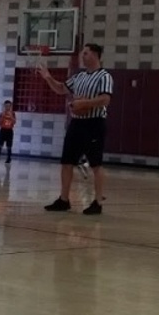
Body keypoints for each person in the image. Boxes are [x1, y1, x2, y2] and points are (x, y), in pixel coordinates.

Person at [38, 43, 113, 215]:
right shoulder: (78, 76)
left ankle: (97, 202)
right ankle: (63, 200)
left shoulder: (104, 76)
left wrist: (83, 103)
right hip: (76, 123)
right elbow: (61, 89)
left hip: (94, 123)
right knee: (66, 162)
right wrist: (48, 77)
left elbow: (105, 100)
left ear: (95, 55)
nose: (82, 56)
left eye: (85, 53)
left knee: (96, 164)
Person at [0, 100, 16, 164]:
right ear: (4, 106)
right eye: (6, 106)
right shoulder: (2, 113)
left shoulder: (13, 113)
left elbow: (14, 122)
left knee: (9, 146)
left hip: (9, 131)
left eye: (9, 106)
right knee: (0, 145)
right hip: (3, 130)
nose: (7, 107)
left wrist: (11, 116)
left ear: (10, 106)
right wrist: (3, 116)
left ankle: (8, 159)